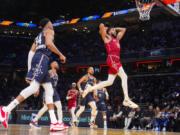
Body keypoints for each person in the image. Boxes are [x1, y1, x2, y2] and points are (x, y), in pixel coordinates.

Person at [0, 18, 66, 132]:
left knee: (49, 90)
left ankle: (54, 122)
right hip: (42, 58)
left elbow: (31, 52)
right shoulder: (49, 30)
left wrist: (30, 71)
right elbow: (49, 44)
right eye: (51, 22)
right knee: (34, 87)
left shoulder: (38, 37)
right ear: (48, 24)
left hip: (40, 60)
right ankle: (6, 109)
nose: (52, 24)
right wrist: (60, 54)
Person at [82, 23, 138, 109]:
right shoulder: (107, 38)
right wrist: (107, 29)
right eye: (113, 30)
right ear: (108, 32)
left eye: (114, 30)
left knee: (109, 82)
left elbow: (123, 29)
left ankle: (90, 88)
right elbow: (101, 26)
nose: (114, 31)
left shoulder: (117, 39)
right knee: (124, 76)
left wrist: (113, 28)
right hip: (112, 59)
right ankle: (126, 99)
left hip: (117, 60)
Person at [29, 61, 68, 130]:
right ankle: (34, 121)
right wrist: (37, 89)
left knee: (58, 106)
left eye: (57, 63)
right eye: (56, 63)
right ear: (52, 65)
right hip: (48, 90)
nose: (57, 64)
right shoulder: (49, 72)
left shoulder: (56, 73)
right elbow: (41, 80)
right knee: (46, 107)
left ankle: (59, 122)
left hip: (54, 91)